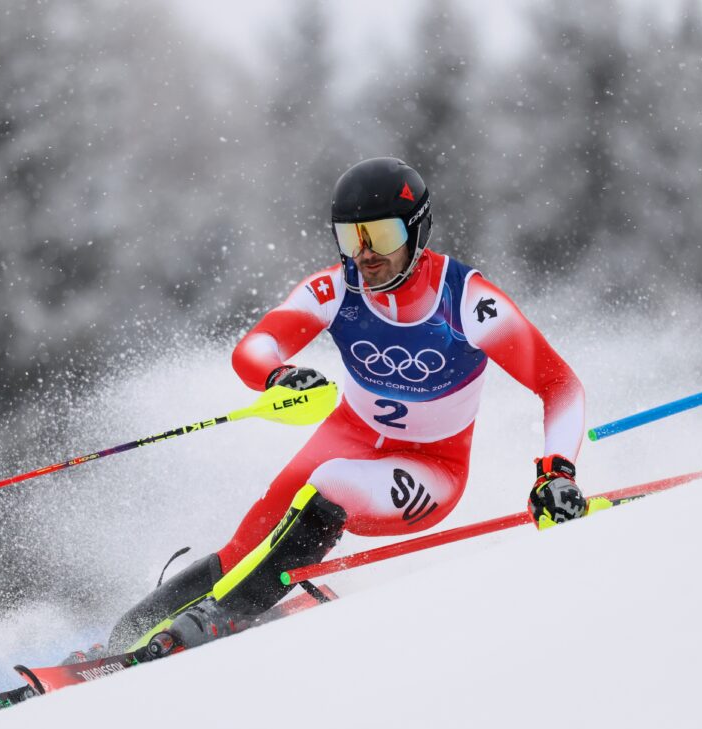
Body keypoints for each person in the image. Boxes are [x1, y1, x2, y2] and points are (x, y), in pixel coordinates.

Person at [81, 157, 588, 662]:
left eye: (382, 236)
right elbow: (255, 347)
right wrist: (278, 375)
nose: (365, 255)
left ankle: (221, 617)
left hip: (433, 469)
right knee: (252, 536)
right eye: (351, 238)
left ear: (417, 231)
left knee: (328, 484)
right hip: (350, 434)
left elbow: (559, 384)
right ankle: (129, 635)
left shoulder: (468, 302)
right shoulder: (338, 288)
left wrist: (556, 473)